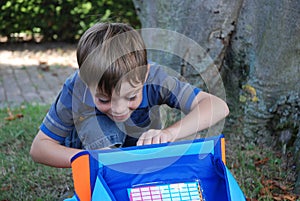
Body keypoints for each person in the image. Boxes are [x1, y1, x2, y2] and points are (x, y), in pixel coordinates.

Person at [30, 22, 229, 168]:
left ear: (145, 76)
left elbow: (217, 106)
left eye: (132, 97)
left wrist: (168, 134)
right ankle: (109, 170)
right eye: (104, 99)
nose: (118, 109)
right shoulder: (76, 87)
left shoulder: (157, 77)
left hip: (139, 147)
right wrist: (91, 159)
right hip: (95, 153)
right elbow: (40, 148)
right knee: (98, 124)